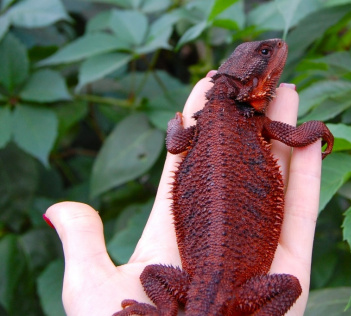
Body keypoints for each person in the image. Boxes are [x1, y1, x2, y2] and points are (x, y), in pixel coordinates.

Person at [44, 70, 324, 316]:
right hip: (235, 294)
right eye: (264, 55)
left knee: (152, 273)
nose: (273, 51)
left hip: (196, 290)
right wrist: (319, 127)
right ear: (250, 84)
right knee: (289, 285)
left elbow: (175, 143)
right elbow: (300, 137)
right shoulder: (255, 122)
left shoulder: (204, 126)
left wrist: (174, 126)